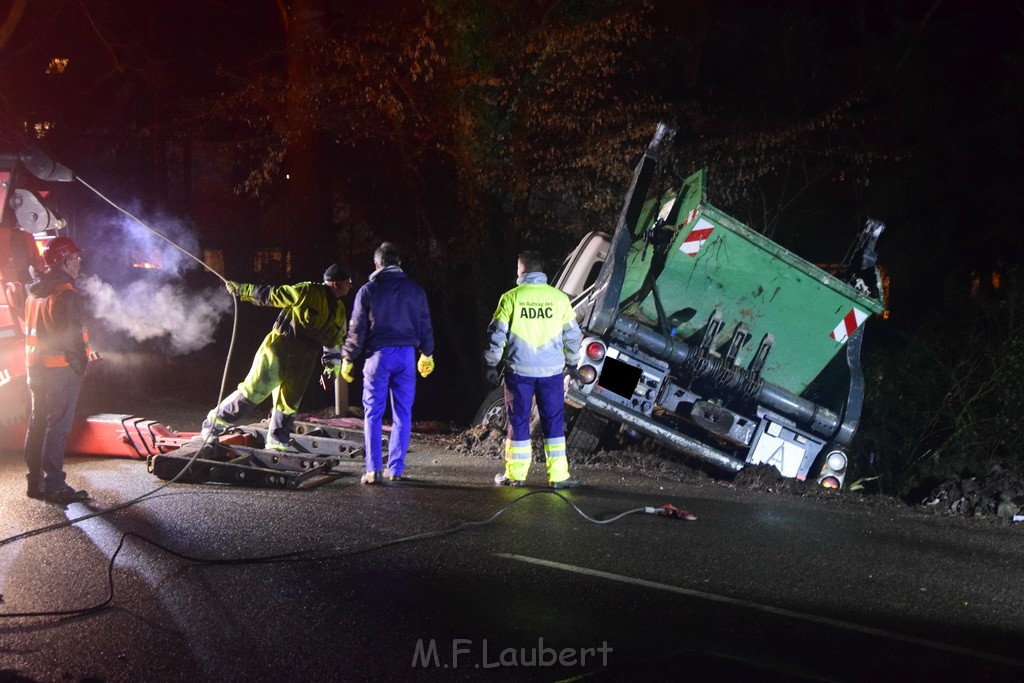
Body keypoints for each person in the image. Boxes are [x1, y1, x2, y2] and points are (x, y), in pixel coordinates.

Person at [200, 263, 353, 450]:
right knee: (253, 392)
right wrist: (242, 290)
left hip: (305, 359)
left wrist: (331, 369)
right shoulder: (307, 291)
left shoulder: (339, 310)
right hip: (279, 349)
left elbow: (334, 342)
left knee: (289, 404)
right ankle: (213, 424)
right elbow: (273, 294)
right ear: (337, 283)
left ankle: (277, 444)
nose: (351, 285)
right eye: (348, 282)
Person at [484, 250, 582, 489]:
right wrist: (571, 364)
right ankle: (559, 476)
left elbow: (497, 336)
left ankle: (516, 475)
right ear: (541, 270)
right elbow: (572, 336)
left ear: (522, 269)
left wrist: (490, 364)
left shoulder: (510, 298)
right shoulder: (559, 299)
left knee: (518, 421)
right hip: (551, 373)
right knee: (554, 422)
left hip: (519, 373)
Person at [341, 242, 434, 484]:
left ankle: (373, 469)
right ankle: (397, 469)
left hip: (378, 356)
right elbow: (425, 324)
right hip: (406, 356)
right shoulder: (415, 290)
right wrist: (428, 353)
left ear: (377, 264)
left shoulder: (368, 291)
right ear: (399, 262)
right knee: (403, 413)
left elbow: (356, 328)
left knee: (373, 413)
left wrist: (348, 358)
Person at [23, 236, 93, 503]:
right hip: (60, 371)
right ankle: (54, 484)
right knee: (58, 426)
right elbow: (72, 339)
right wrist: (80, 366)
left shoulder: (35, 292)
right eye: (75, 258)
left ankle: (34, 481)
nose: (79, 262)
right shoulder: (66, 294)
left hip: (35, 369)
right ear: (64, 262)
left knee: (38, 421)